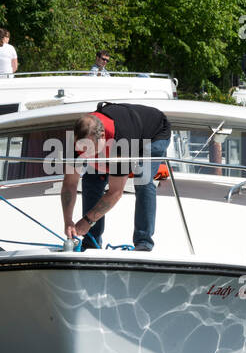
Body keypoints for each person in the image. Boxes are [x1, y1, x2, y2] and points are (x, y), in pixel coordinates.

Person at [61, 103, 172, 252]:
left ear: (102, 137)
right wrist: (68, 221)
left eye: (88, 150)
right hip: (122, 131)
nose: (84, 156)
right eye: (81, 150)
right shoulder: (75, 141)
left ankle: (143, 243)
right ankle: (92, 243)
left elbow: (115, 192)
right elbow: (69, 184)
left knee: (142, 180)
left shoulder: (121, 142)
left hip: (154, 133)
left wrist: (87, 220)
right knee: (91, 180)